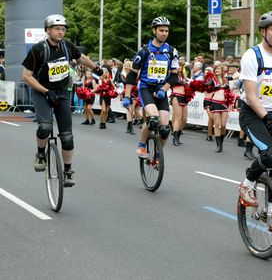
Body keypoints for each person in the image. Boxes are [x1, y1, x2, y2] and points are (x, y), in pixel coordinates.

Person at [21, 14, 103, 186]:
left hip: (62, 93)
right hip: (41, 92)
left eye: (63, 29)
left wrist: (97, 68)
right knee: (45, 127)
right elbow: (26, 76)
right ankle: (41, 154)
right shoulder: (38, 49)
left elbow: (80, 57)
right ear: (48, 30)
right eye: (57, 29)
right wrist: (45, 90)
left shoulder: (67, 46)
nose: (61, 32)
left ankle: (67, 170)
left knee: (67, 137)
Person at [237, 11, 272, 233]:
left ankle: (270, 214)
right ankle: (247, 185)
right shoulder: (252, 56)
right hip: (253, 114)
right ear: (263, 32)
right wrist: (269, 119)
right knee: (270, 155)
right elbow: (251, 96)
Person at [123, 16, 179, 157]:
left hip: (161, 89)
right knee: (153, 119)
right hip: (146, 88)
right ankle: (142, 145)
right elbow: (131, 75)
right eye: (161, 30)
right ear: (154, 31)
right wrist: (127, 96)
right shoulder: (145, 51)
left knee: (165, 129)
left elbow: (174, 76)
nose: (164, 33)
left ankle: (158, 154)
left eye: (166, 31)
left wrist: (164, 89)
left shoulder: (172, 51)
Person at [207, 62, 230, 152]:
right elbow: (206, 85)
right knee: (217, 124)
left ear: (222, 71)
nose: (217, 70)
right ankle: (218, 145)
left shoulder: (226, 80)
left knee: (223, 125)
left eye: (218, 69)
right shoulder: (212, 80)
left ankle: (221, 141)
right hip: (215, 103)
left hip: (224, 104)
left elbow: (237, 77)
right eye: (215, 69)